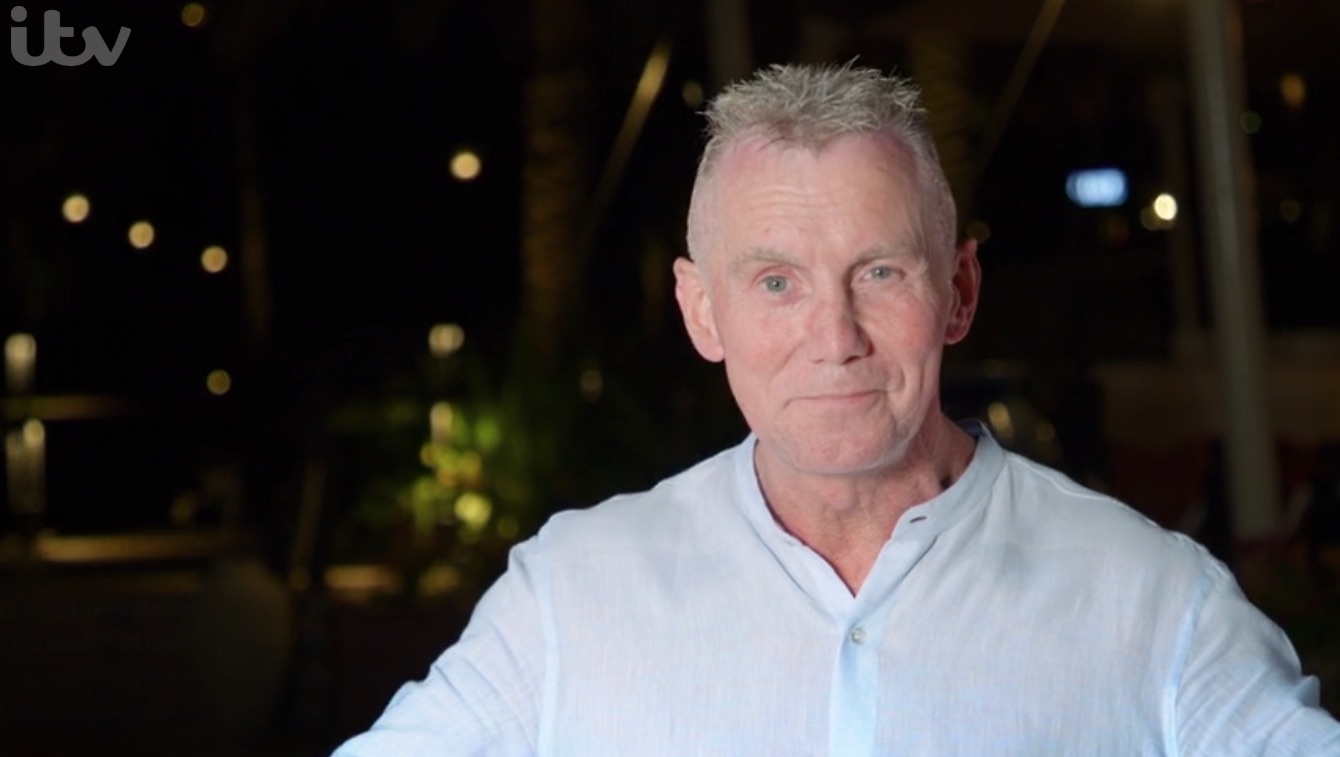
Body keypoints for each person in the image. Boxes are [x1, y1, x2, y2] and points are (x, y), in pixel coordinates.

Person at [333, 63, 1340, 755]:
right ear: (700, 309)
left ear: (959, 291)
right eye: (776, 282)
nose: (834, 335)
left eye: (879, 272)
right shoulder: (571, 593)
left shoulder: (1153, 601)